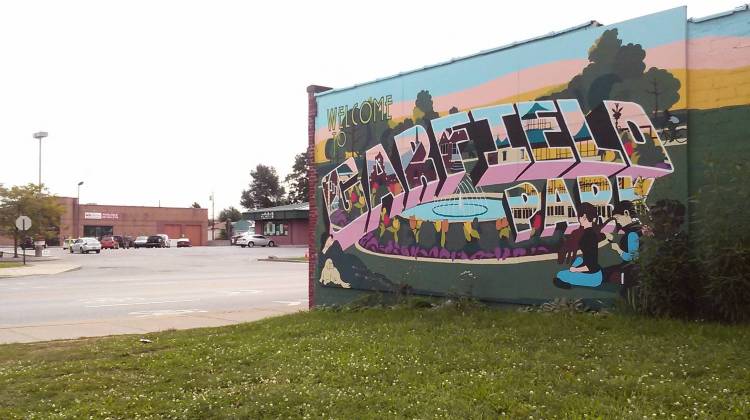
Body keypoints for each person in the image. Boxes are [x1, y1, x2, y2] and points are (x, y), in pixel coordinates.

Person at [553, 202, 602, 289]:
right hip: (595, 272)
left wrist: (575, 270)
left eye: (579, 217)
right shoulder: (590, 233)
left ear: (583, 217)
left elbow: (591, 266)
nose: (579, 219)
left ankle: (570, 282)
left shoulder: (587, 236)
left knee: (560, 274)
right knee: (579, 259)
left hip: (593, 278)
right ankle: (572, 276)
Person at [603, 200, 642, 289]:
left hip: (631, 275)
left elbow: (632, 258)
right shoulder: (637, 230)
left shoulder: (632, 234)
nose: (617, 222)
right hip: (632, 274)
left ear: (626, 213)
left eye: (617, 218)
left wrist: (618, 250)